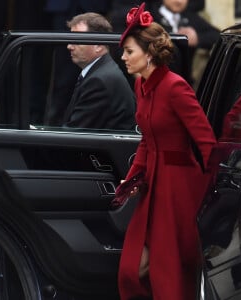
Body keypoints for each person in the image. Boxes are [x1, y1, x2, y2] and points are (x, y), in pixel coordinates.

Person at [118, 3, 216, 299]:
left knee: (168, 272)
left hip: (179, 190)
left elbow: (207, 142)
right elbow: (147, 140)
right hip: (152, 189)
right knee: (133, 269)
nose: (122, 57)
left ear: (148, 54)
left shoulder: (176, 87)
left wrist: (211, 196)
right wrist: (132, 179)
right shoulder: (141, 87)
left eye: (129, 52)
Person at [60, 12, 136, 130]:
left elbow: (75, 134)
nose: (69, 46)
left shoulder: (100, 81)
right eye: (70, 40)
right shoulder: (101, 71)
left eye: (77, 40)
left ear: (99, 45)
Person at [150, 0, 220, 85]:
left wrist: (197, 38)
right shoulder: (149, 16)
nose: (179, 1)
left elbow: (217, 35)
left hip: (185, 81)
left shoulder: (189, 17)